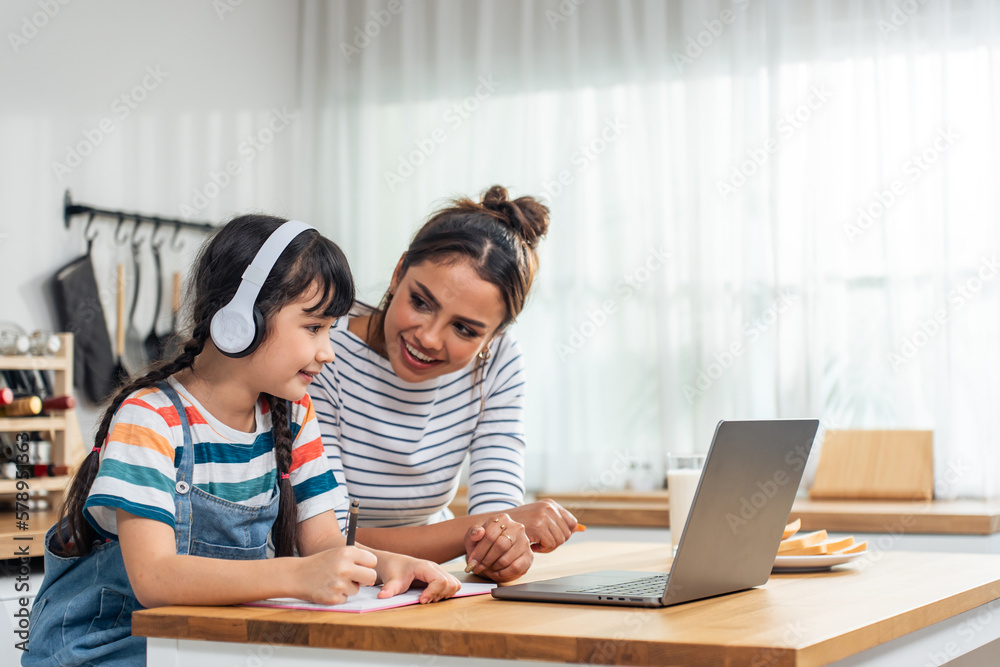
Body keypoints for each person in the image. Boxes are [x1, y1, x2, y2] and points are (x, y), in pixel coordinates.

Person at [23, 215, 460, 667]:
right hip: (108, 649)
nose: (328, 351)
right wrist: (296, 574)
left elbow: (324, 545)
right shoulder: (150, 417)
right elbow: (155, 577)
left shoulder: (291, 415)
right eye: (314, 328)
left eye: (331, 329)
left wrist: (387, 565)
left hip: (202, 646)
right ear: (239, 320)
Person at [310, 185, 579, 583]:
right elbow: (329, 540)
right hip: (332, 587)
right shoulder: (322, 348)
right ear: (398, 272)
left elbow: (498, 516)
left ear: (494, 337)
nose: (430, 338)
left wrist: (505, 549)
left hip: (431, 583)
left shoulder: (499, 363)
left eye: (465, 329)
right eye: (421, 302)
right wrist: (490, 529)